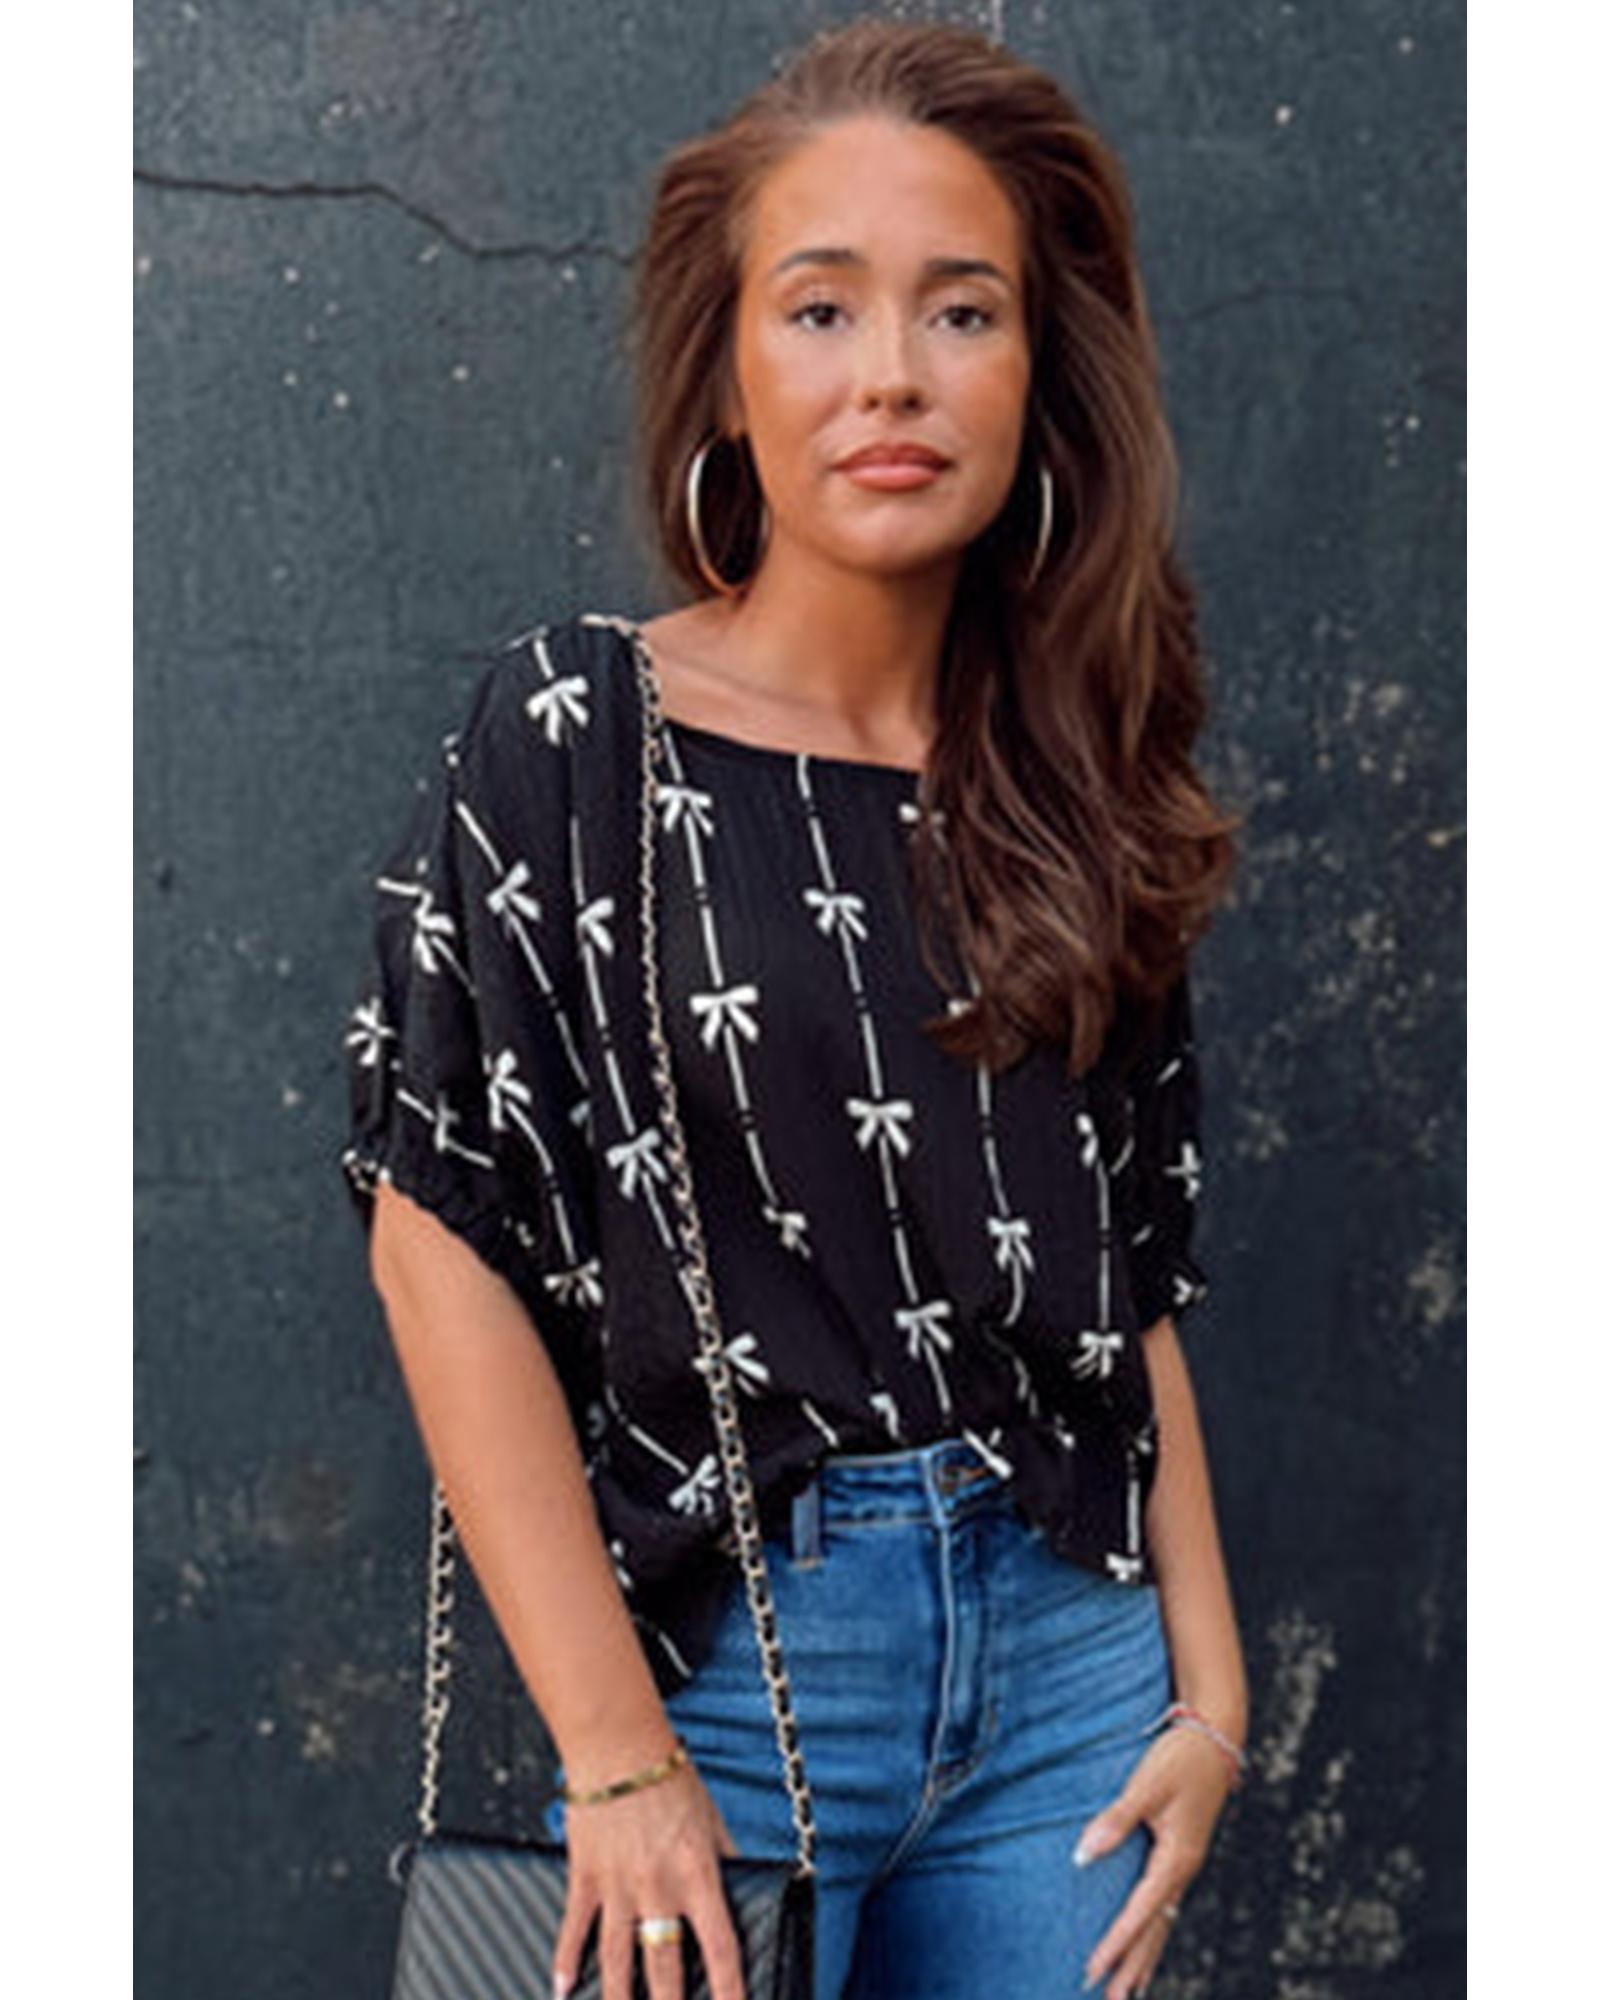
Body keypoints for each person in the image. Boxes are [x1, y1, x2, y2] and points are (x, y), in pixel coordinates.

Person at [338, 18, 1249, 2000]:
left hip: (1070, 1673)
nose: (892, 375)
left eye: (962, 310)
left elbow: (1132, 1263)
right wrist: (614, 1757)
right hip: (725, 1672)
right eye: (820, 308)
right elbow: (435, 1231)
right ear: (728, 370)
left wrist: (1210, 1689)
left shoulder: (1071, 764)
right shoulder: (577, 731)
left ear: (1038, 376)